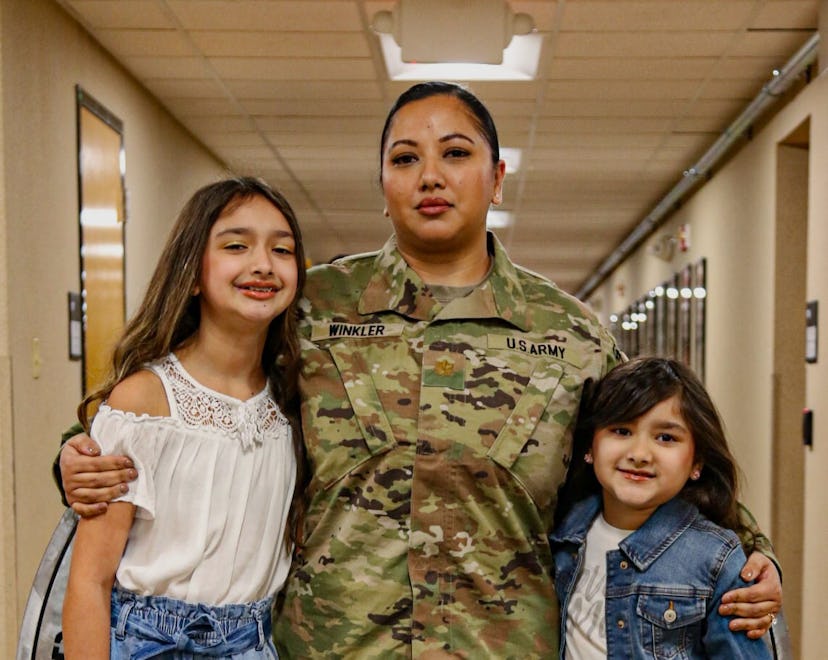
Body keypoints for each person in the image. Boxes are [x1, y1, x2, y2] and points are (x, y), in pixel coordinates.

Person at [57, 83, 781, 658]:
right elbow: (183, 382)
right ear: (382, 182)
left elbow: (655, 449)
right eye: (404, 159)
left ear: (497, 179)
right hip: (330, 647)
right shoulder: (309, 308)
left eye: (456, 154)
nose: (429, 175)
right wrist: (74, 452)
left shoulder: (569, 336)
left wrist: (749, 555)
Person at [61, 177, 306, 659]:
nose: (262, 264)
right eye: (236, 245)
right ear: (193, 273)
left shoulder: (291, 403)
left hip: (253, 644)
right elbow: (90, 580)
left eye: (282, 250)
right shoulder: (145, 402)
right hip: (149, 644)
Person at [550, 357, 776, 658]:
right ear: (590, 447)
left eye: (666, 438)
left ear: (697, 462)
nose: (640, 454)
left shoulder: (716, 558)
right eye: (621, 431)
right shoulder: (562, 533)